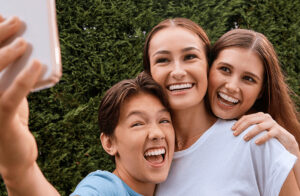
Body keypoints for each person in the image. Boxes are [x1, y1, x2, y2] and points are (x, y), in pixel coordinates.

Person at [0, 15, 175, 196]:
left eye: (164, 120)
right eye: (137, 123)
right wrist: (20, 170)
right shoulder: (105, 187)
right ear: (108, 143)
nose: (156, 133)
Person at [143, 18, 299, 195]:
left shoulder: (256, 141)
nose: (178, 72)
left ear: (206, 65)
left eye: (190, 57)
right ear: (149, 73)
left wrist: (293, 153)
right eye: (162, 60)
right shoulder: (149, 153)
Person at [207, 28, 300, 189]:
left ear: (261, 91)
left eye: (248, 79)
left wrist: (293, 150)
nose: (232, 87)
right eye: (225, 69)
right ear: (208, 68)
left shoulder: (263, 145)